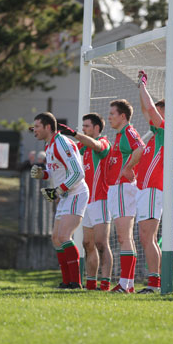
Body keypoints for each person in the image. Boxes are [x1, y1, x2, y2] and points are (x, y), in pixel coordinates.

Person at [30, 112, 89, 289]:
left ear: (48, 127)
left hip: (76, 192)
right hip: (65, 194)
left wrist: (59, 190)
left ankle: (75, 283)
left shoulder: (62, 142)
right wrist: (43, 174)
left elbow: (78, 173)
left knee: (64, 236)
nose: (34, 130)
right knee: (56, 238)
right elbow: (56, 171)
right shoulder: (50, 145)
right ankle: (66, 282)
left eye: (37, 127)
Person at [57, 113, 113, 291]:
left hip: (101, 199)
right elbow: (68, 153)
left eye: (87, 126)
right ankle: (90, 283)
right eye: (83, 126)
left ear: (97, 128)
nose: (84, 129)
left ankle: (105, 283)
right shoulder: (81, 146)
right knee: (87, 243)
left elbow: (96, 145)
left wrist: (73, 133)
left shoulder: (103, 142)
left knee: (101, 243)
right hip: (85, 200)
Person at [106, 99, 145, 293]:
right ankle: (127, 284)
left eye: (112, 113)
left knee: (124, 236)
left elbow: (140, 148)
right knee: (124, 237)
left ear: (123, 116)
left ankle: (125, 284)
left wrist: (127, 168)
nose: (109, 117)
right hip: (117, 188)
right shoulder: (120, 134)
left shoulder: (128, 131)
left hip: (124, 187)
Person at [135, 71, 166, 293]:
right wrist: (140, 88)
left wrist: (143, 84)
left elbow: (149, 108)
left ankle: (155, 283)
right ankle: (154, 281)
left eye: (159, 110)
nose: (154, 113)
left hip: (154, 188)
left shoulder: (165, 130)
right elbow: (146, 109)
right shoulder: (157, 134)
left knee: (148, 236)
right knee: (145, 236)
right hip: (145, 189)